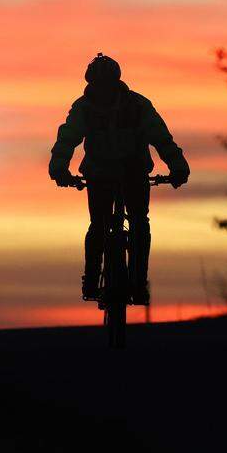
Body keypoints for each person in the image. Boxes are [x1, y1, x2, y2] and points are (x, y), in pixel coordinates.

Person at [49, 53, 189, 304]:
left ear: (116, 81)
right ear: (91, 83)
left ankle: (138, 281)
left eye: (107, 83)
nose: (103, 89)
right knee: (99, 225)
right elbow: (67, 139)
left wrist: (178, 166)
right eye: (98, 84)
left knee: (138, 223)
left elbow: (161, 138)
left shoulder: (137, 106)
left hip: (132, 173)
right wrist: (58, 168)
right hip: (99, 174)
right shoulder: (84, 108)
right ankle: (91, 280)